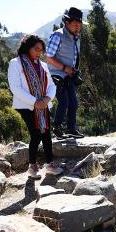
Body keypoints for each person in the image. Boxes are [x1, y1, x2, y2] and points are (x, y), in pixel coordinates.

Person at [8, 35, 63, 179]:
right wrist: (34, 101)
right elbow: (15, 87)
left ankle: (50, 165)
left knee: (46, 134)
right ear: (28, 47)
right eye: (36, 49)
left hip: (43, 105)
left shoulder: (43, 65)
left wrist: (46, 99)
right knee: (36, 133)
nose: (39, 52)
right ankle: (32, 167)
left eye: (41, 50)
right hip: (26, 105)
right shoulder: (16, 63)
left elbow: (51, 85)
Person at [44, 7, 84, 140]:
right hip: (56, 75)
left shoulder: (77, 38)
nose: (78, 27)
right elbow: (49, 57)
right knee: (63, 102)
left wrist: (74, 70)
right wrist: (64, 68)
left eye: (79, 24)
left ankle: (71, 129)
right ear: (67, 22)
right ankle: (57, 128)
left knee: (74, 103)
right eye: (75, 24)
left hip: (69, 75)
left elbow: (74, 57)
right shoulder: (58, 35)